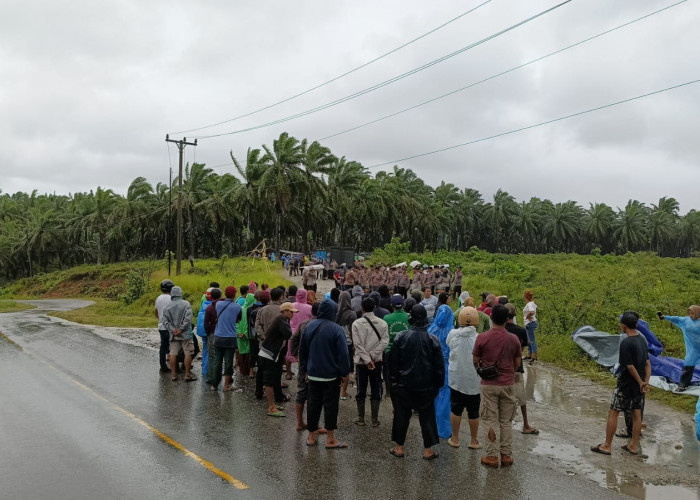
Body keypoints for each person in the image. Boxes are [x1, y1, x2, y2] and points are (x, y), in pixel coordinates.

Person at [388, 305, 443, 460]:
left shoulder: (401, 336)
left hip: (404, 384)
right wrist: (438, 385)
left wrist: (393, 380)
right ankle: (428, 450)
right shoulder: (433, 339)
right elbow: (439, 366)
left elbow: (394, 362)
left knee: (401, 415)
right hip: (426, 386)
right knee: (427, 416)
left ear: (411, 318)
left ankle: (399, 447)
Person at [591, 312, 650, 456]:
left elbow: (629, 367)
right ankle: (633, 446)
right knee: (637, 414)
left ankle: (607, 446)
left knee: (613, 412)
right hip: (639, 386)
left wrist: (640, 381)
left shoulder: (626, 342)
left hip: (626, 384)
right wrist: (645, 382)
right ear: (636, 325)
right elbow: (648, 364)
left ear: (623, 326)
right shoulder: (642, 340)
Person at [472, 304, 522, 468]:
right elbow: (517, 362)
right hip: (507, 384)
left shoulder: (482, 337)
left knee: (490, 419)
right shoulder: (513, 339)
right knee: (506, 421)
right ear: (508, 319)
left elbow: (475, 361)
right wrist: (508, 373)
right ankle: (506, 455)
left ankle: (492, 456)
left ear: (491, 317)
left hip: (489, 385)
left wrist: (484, 371)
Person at [300, 299, 351, 448]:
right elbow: (343, 353)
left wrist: (304, 370)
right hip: (330, 375)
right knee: (330, 406)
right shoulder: (336, 329)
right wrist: (344, 372)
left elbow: (303, 351)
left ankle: (311, 436)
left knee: (313, 404)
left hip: (313, 374)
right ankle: (330, 439)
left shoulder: (309, 326)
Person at [446, 306, 481, 449]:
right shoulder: (479, 337)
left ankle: (455, 438)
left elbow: (449, 345)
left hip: (456, 379)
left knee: (456, 409)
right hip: (474, 380)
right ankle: (473, 441)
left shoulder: (453, 333)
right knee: (473, 411)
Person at [352, 298, 389, 427]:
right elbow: (385, 341)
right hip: (377, 361)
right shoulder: (383, 323)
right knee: (376, 387)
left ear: (362, 308)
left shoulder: (356, 323)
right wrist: (372, 356)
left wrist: (367, 359)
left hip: (362, 362)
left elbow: (357, 344)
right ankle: (374, 419)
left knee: (361, 388)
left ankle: (361, 418)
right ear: (374, 307)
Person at [505, 303, 539, 435]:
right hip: (516, 368)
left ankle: (502, 422)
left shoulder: (500, 329)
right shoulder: (520, 331)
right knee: (521, 397)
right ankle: (525, 424)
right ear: (515, 315)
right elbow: (521, 350)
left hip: (502, 368)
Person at [259, 302, 297, 417]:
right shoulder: (282, 319)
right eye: (291, 312)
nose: (293, 314)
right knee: (269, 381)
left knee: (272, 378)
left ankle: (273, 404)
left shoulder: (281, 319)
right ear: (285, 311)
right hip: (269, 353)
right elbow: (289, 334)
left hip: (269, 352)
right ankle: (271, 407)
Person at [658, 306, 700, 391]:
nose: (691, 315)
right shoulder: (686, 321)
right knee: (688, 365)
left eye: (693, 313)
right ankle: (683, 385)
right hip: (692, 349)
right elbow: (676, 319)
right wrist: (665, 317)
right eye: (689, 313)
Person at [429, 303, 455, 440]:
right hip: (446, 367)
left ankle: (430, 426)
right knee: (445, 398)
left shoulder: (431, 329)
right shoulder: (452, 331)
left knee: (432, 396)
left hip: (432, 366)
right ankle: (444, 429)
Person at [211, 286, 242, 391]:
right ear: (234, 295)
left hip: (218, 336)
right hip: (230, 338)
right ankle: (226, 385)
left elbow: (217, 301)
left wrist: (223, 298)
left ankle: (214, 385)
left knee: (217, 361)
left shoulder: (218, 304)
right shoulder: (237, 307)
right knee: (228, 362)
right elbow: (238, 320)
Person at [161, 286, 196, 382]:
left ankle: (173, 375)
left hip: (173, 335)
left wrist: (173, 330)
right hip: (185, 334)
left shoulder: (168, 306)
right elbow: (188, 318)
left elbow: (165, 321)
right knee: (188, 353)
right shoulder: (186, 304)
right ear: (180, 293)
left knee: (172, 353)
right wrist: (181, 329)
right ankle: (187, 375)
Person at [382, 295, 411, 398]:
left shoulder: (386, 318)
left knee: (389, 371)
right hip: (406, 350)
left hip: (390, 350)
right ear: (404, 304)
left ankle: (389, 391)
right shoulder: (409, 317)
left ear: (391, 305)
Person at [336, 290, 357, 400]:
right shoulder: (352, 314)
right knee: (347, 368)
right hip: (348, 343)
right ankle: (343, 392)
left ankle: (336, 388)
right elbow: (353, 331)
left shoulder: (336, 312)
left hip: (336, 343)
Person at [286, 289, 312, 380]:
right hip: (304, 333)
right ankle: (304, 373)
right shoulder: (309, 307)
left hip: (292, 332)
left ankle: (288, 373)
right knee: (305, 353)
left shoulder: (292, 306)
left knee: (289, 353)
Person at [155, 279, 174, 373]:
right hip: (171, 326)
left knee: (163, 346)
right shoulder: (172, 298)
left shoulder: (158, 298)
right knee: (172, 346)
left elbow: (156, 311)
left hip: (161, 326)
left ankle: (163, 365)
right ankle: (174, 366)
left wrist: (160, 319)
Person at [235, 292, 256, 377]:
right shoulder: (250, 310)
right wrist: (246, 334)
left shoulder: (240, 308)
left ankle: (242, 370)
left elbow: (237, 322)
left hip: (240, 335)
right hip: (247, 335)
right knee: (248, 353)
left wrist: (239, 332)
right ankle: (247, 370)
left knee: (241, 352)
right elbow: (249, 324)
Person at [196, 288, 214, 377]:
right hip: (210, 332)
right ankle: (210, 370)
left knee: (205, 349)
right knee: (211, 350)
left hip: (202, 331)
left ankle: (204, 369)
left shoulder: (203, 304)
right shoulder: (213, 306)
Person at [523, 290, 538, 363]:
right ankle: (529, 354)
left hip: (530, 323)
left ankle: (534, 356)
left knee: (531, 340)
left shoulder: (529, 304)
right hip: (530, 323)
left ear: (525, 296)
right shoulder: (532, 303)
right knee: (529, 339)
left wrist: (527, 316)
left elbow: (532, 311)